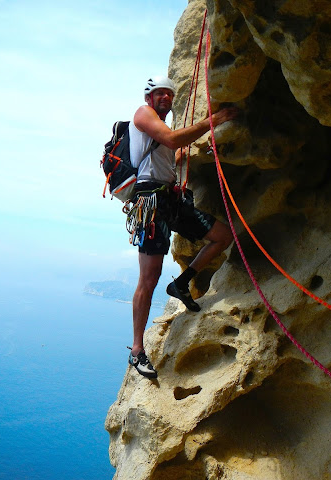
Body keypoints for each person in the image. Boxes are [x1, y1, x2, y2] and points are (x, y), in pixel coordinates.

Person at [126, 75, 239, 378]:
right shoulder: (142, 114)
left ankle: (181, 283)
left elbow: (170, 149)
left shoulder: (161, 128)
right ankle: (137, 351)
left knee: (222, 236)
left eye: (169, 94)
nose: (165, 98)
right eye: (159, 93)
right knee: (148, 279)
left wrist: (182, 156)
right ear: (149, 97)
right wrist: (212, 121)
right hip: (150, 202)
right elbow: (173, 139)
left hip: (170, 199)